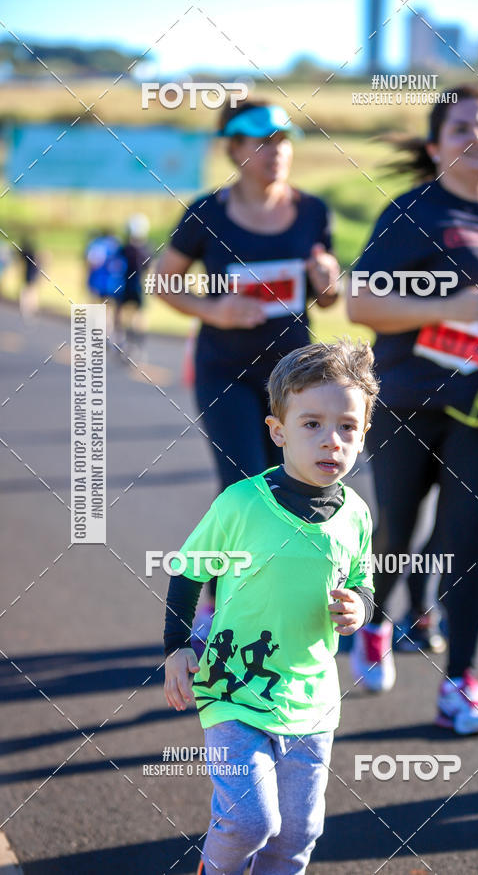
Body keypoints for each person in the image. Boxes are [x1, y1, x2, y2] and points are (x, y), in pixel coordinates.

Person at [347, 84, 478, 735]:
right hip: (410, 400)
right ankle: (377, 622)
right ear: (437, 146)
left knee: (474, 538)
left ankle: (461, 683)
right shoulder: (412, 212)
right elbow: (360, 303)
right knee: (397, 531)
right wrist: (446, 308)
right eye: (463, 126)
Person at [163, 339, 378, 875]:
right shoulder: (240, 504)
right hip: (233, 686)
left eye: (347, 427)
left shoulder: (356, 515)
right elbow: (189, 573)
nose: (332, 440)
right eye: (312, 424)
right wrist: (174, 649)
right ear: (278, 430)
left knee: (297, 837)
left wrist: (361, 607)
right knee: (252, 821)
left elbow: (361, 579)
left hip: (312, 697)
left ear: (363, 434)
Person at [156, 98, 341, 652]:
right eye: (262, 143)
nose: (275, 153)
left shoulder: (313, 212)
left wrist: (327, 278)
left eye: (284, 142)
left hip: (295, 379)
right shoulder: (205, 213)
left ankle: (283, 602)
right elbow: (162, 282)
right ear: (234, 149)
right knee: (242, 487)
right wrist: (214, 310)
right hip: (225, 373)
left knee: (296, 485)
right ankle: (213, 603)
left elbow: (327, 298)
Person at [114, 213, 151, 357]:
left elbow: (116, 266)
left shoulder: (124, 248)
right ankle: (139, 343)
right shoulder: (146, 249)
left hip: (124, 287)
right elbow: (149, 268)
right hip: (138, 287)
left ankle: (120, 338)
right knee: (139, 314)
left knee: (119, 312)